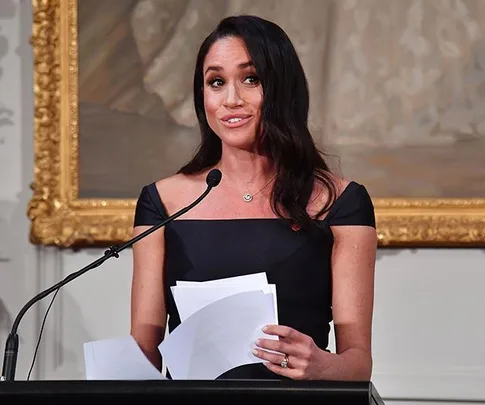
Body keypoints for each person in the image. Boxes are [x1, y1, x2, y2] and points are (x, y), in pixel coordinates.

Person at [130, 15, 377, 381]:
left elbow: (358, 363)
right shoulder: (163, 201)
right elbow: (142, 353)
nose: (231, 99)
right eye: (216, 82)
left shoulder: (340, 202)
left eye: (251, 79)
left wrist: (321, 364)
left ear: (282, 89)